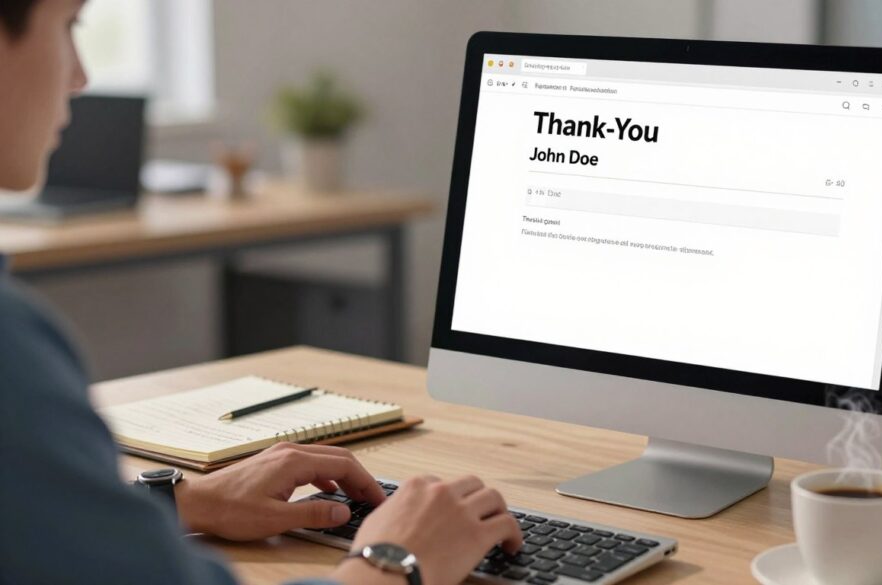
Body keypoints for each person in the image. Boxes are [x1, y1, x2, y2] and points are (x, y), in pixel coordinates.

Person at [0, 2, 522, 584]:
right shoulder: (10, 345)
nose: (80, 75)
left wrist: (184, 501)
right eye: (68, 25)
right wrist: (394, 561)